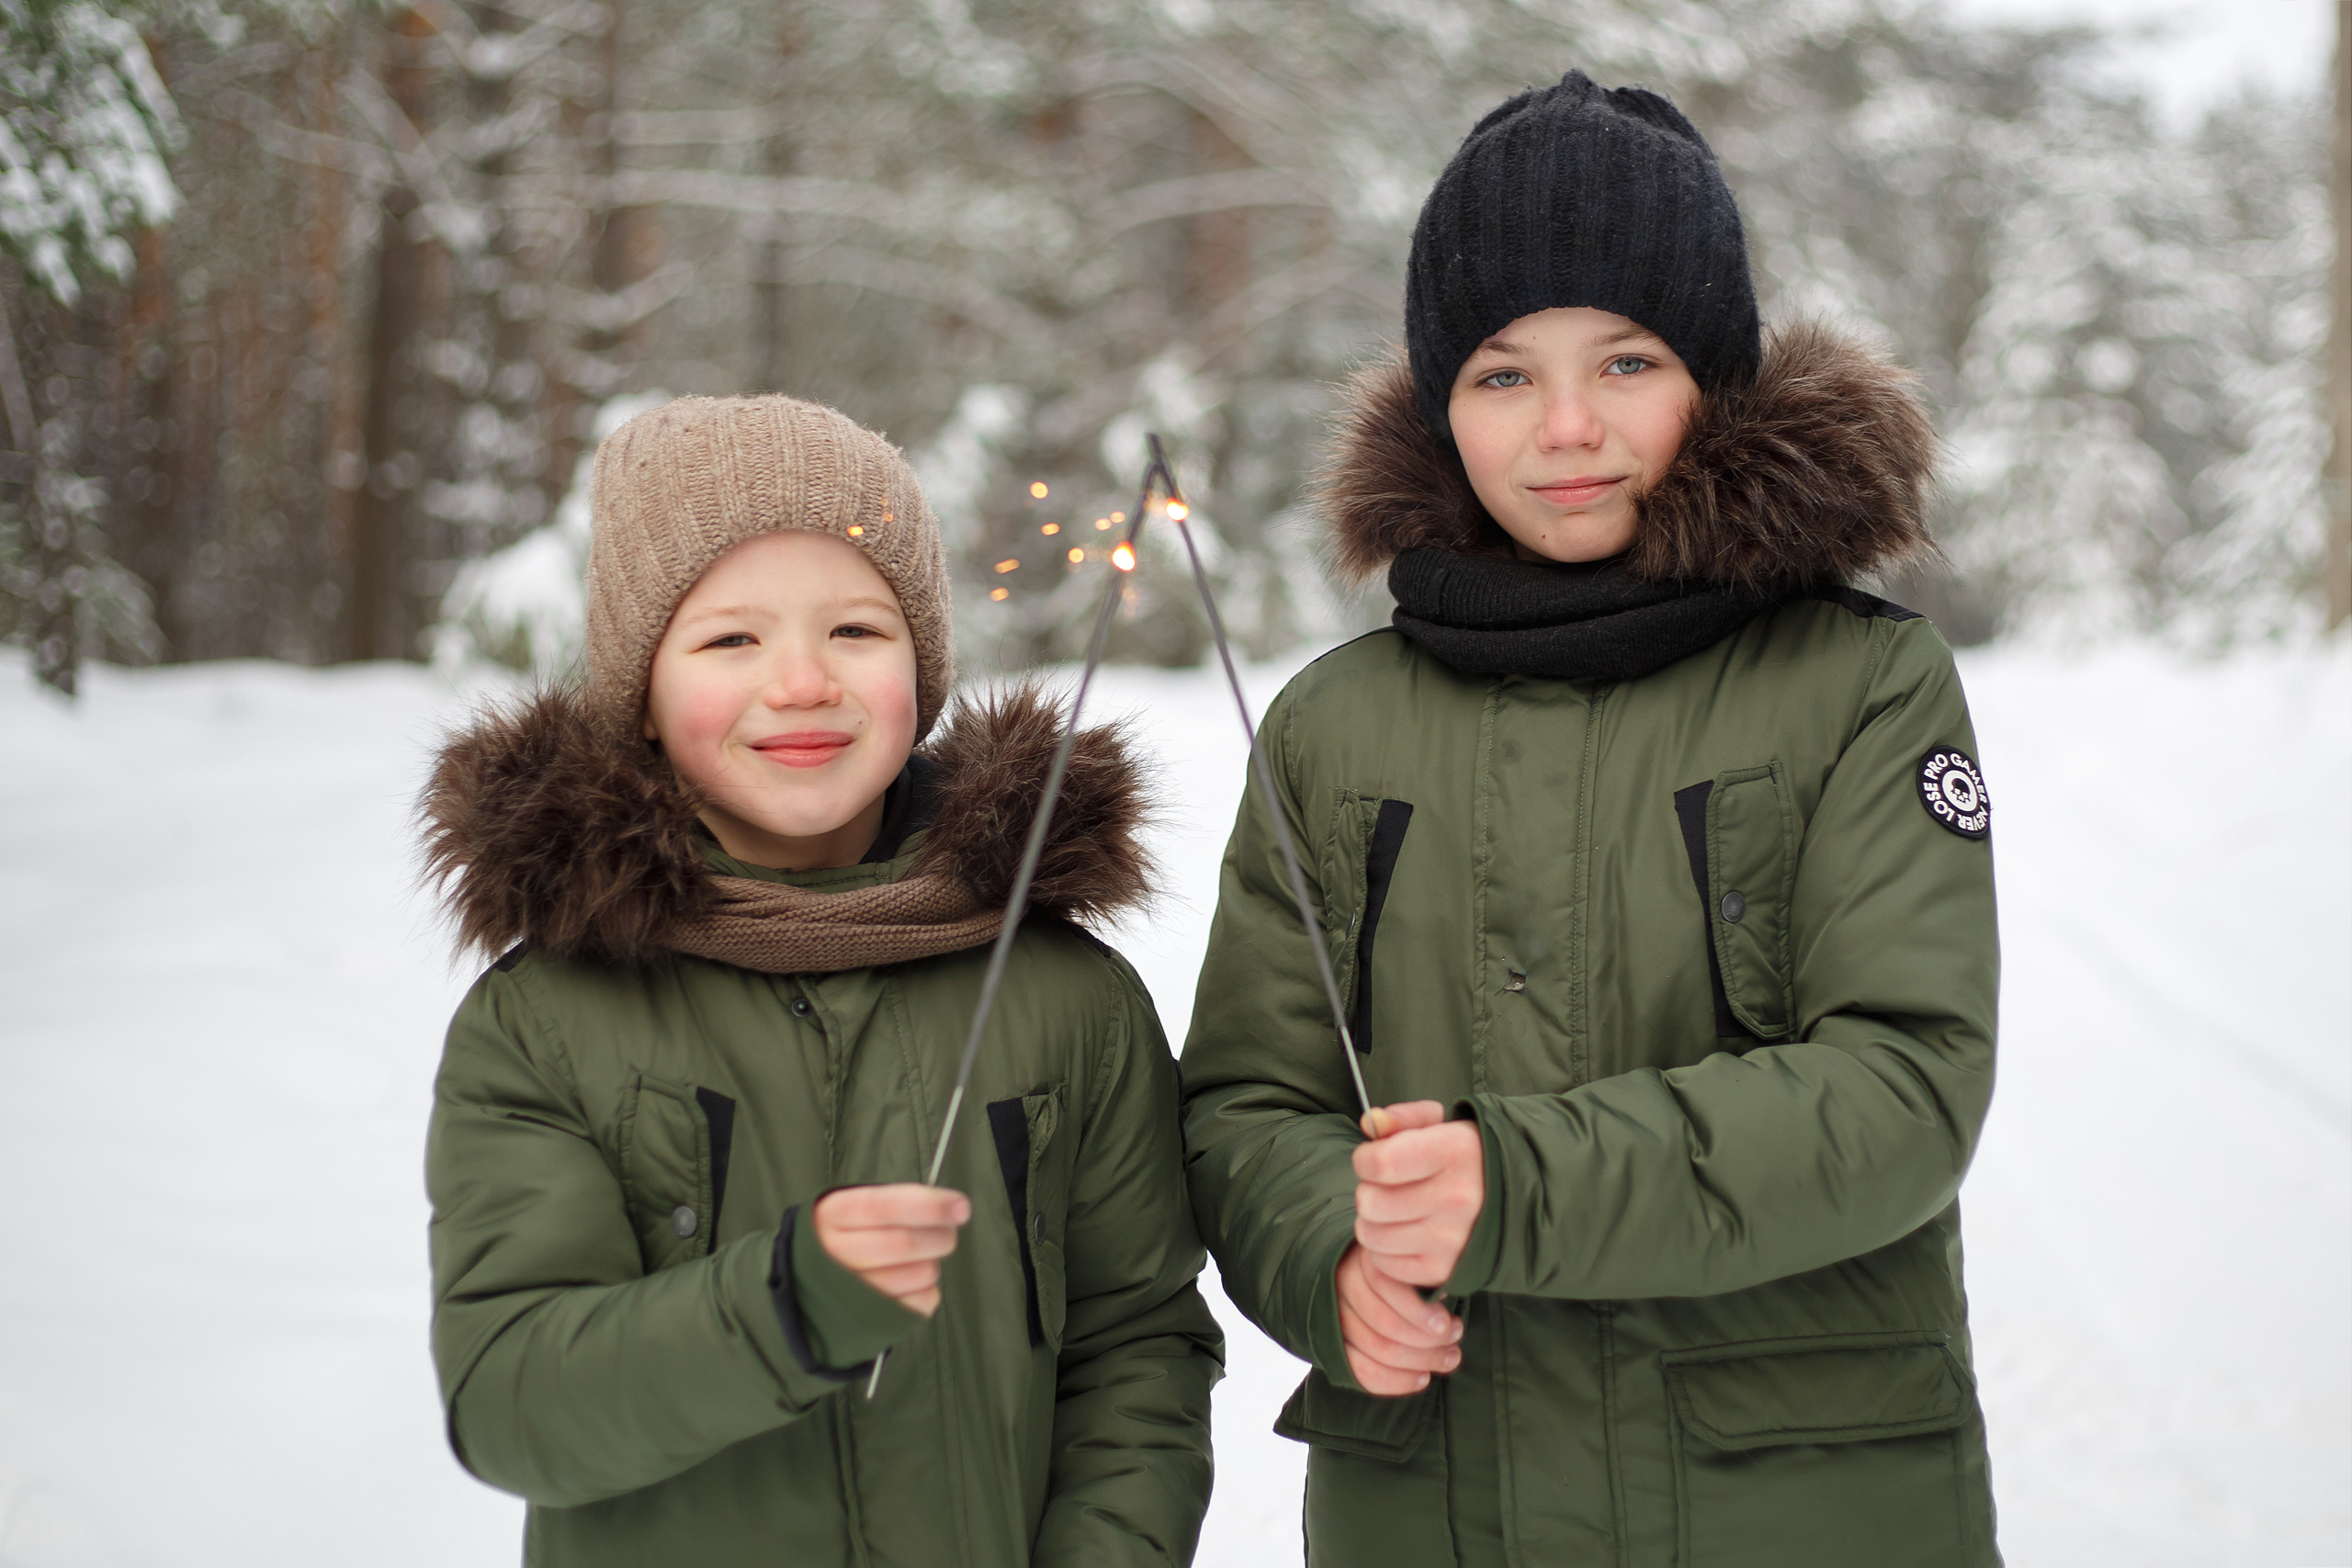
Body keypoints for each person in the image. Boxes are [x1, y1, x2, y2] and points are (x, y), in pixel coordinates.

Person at [1181, 71, 2000, 1566]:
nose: (1566, 426)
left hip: (1796, 1501)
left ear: (1715, 377)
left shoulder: (1862, 684)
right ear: (1441, 405)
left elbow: (1903, 1089)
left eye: (1626, 360)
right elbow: (1246, 1104)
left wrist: (1515, 1183)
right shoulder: (1331, 727)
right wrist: (1331, 1255)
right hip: (1435, 1500)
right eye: (1503, 375)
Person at [420, 395, 1222, 1566]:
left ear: (922, 666)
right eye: (730, 641)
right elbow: (511, 1402)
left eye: (854, 630)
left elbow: (1137, 1348)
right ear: (641, 691)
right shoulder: (545, 1019)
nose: (801, 683)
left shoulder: (1067, 999)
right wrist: (782, 1308)